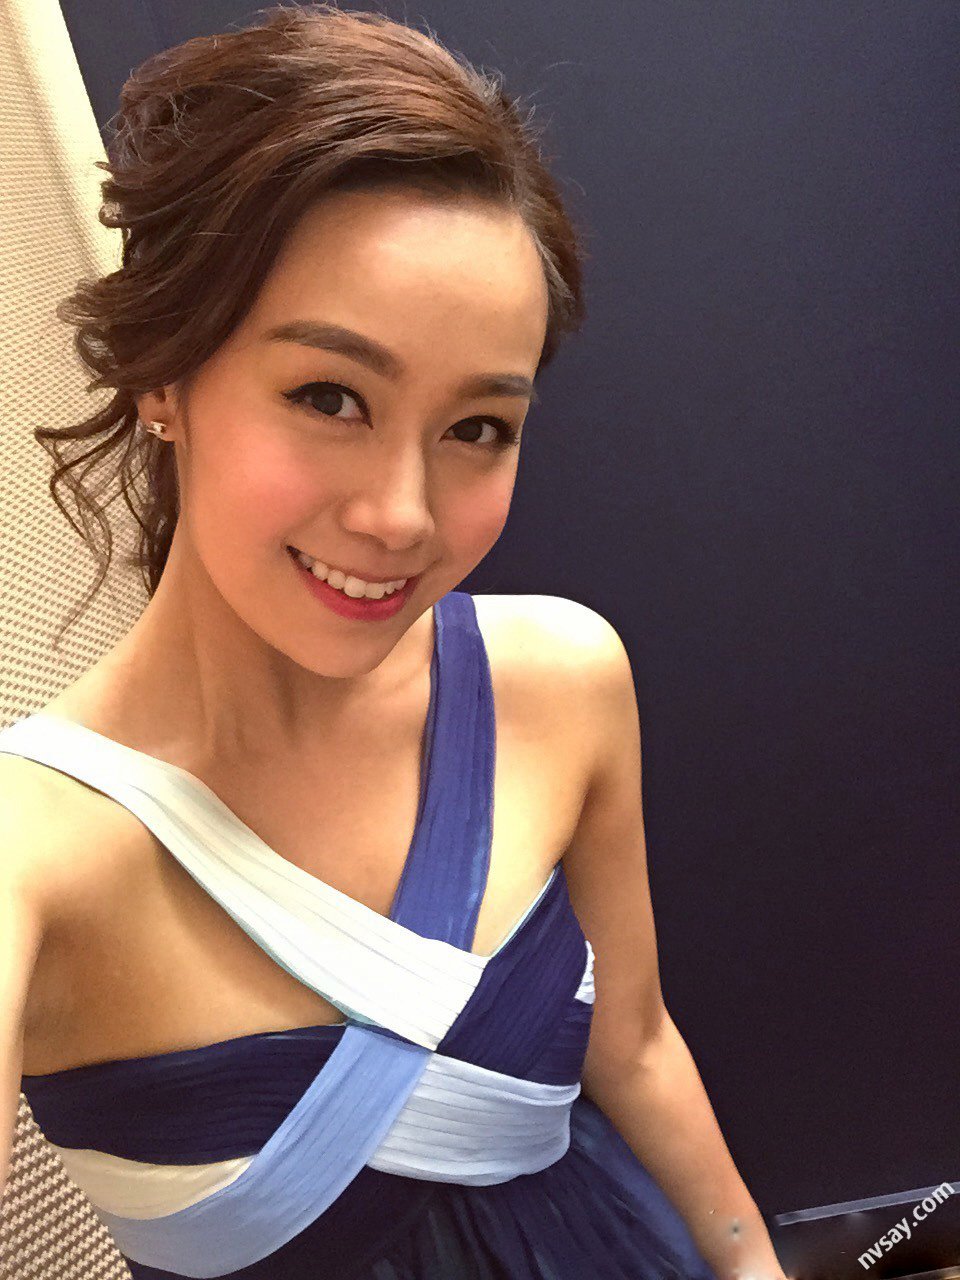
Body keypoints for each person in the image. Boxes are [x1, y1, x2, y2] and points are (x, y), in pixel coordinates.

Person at [0, 5, 790, 1278]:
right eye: (330, 396)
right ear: (163, 377)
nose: (402, 516)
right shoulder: (36, 851)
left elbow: (636, 1044)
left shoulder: (562, 678)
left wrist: (751, 1264)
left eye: (478, 427)